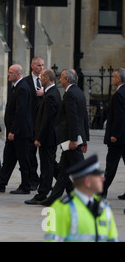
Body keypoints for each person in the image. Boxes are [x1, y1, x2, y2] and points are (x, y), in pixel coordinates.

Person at [41, 69, 90, 206]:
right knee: (63, 172)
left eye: (61, 77)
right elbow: (84, 118)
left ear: (67, 80)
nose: (60, 80)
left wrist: (74, 139)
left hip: (71, 139)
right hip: (74, 138)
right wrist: (85, 139)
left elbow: (73, 118)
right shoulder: (79, 92)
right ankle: (52, 199)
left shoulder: (69, 95)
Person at [44, 155, 118, 242]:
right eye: (98, 175)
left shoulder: (104, 207)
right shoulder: (62, 208)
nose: (103, 178)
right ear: (87, 181)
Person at [0, 64, 32, 194]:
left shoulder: (22, 88)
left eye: (10, 72)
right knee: (9, 159)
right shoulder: (16, 87)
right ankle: (1, 183)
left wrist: (13, 131)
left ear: (18, 74)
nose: (8, 75)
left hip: (20, 132)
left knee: (23, 160)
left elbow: (21, 112)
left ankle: (25, 186)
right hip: (14, 132)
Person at [25, 69, 61, 205]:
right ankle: (70, 187)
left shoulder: (51, 95)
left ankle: (42, 194)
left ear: (47, 78)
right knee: (52, 164)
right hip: (49, 137)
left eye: (42, 77)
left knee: (47, 167)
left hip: (47, 138)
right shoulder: (51, 93)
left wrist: (39, 138)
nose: (40, 79)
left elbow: (47, 120)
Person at [102, 68, 125, 199]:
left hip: (119, 137)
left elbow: (120, 116)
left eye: (114, 77)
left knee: (111, 164)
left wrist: (114, 135)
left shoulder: (119, 94)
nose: (113, 79)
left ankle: (102, 191)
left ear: (119, 79)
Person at [24, 56, 45, 190]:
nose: (41, 68)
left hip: (42, 122)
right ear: (32, 66)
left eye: (42, 65)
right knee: (30, 153)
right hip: (31, 122)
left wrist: (44, 93)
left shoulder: (46, 81)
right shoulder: (26, 81)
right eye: (38, 65)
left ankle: (45, 179)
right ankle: (33, 179)